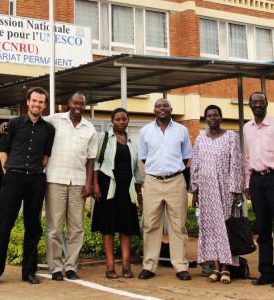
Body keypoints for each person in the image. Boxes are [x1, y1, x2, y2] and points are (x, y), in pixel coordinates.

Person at [0, 87, 55, 286]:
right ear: (27, 102)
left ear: (44, 105)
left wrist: (33, 173)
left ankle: (29, 272)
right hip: (13, 179)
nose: (37, 105)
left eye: (41, 102)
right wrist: (8, 173)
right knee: (3, 226)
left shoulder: (49, 129)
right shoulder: (13, 124)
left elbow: (46, 156)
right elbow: (3, 149)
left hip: (35, 180)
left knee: (33, 227)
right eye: (34, 101)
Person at [44, 91, 98, 281]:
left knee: (77, 228)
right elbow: (34, 121)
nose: (78, 107)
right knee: (54, 228)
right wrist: (8, 124)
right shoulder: (55, 120)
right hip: (55, 180)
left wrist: (89, 183)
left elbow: (91, 160)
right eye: (75, 103)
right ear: (69, 103)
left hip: (78, 183)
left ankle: (71, 266)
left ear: (85, 106)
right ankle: (56, 268)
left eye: (81, 104)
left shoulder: (90, 128)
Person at [138, 98, 192, 281]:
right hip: (153, 182)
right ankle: (149, 266)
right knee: (151, 225)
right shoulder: (145, 131)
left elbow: (185, 158)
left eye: (165, 106)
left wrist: (170, 171)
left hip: (176, 181)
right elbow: (144, 158)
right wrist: (158, 170)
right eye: (158, 106)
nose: (162, 109)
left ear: (171, 109)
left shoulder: (181, 130)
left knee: (178, 225)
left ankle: (181, 267)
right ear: (154, 110)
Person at [189, 104, 244, 284]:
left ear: (220, 118)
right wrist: (195, 191)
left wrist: (237, 190)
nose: (212, 118)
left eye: (215, 115)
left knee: (226, 228)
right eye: (209, 115)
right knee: (210, 229)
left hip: (226, 189)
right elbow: (195, 165)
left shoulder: (231, 137)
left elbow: (236, 163)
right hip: (206, 190)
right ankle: (216, 268)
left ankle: (228, 268)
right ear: (206, 119)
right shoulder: (200, 139)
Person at [91, 108, 143, 279]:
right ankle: (110, 265)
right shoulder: (104, 138)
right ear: (112, 121)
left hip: (126, 190)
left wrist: (139, 194)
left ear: (128, 121)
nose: (121, 122)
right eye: (118, 119)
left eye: (124, 119)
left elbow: (135, 171)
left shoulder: (132, 143)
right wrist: (95, 185)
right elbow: (96, 163)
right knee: (108, 227)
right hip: (107, 188)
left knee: (125, 227)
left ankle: (126, 265)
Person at [243, 92, 274, 287]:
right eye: (254, 102)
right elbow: (247, 157)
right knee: (262, 229)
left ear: (266, 104)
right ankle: (266, 273)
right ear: (249, 105)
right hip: (256, 180)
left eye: (261, 102)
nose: (257, 105)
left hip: (273, 177)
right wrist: (247, 183)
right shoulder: (247, 128)